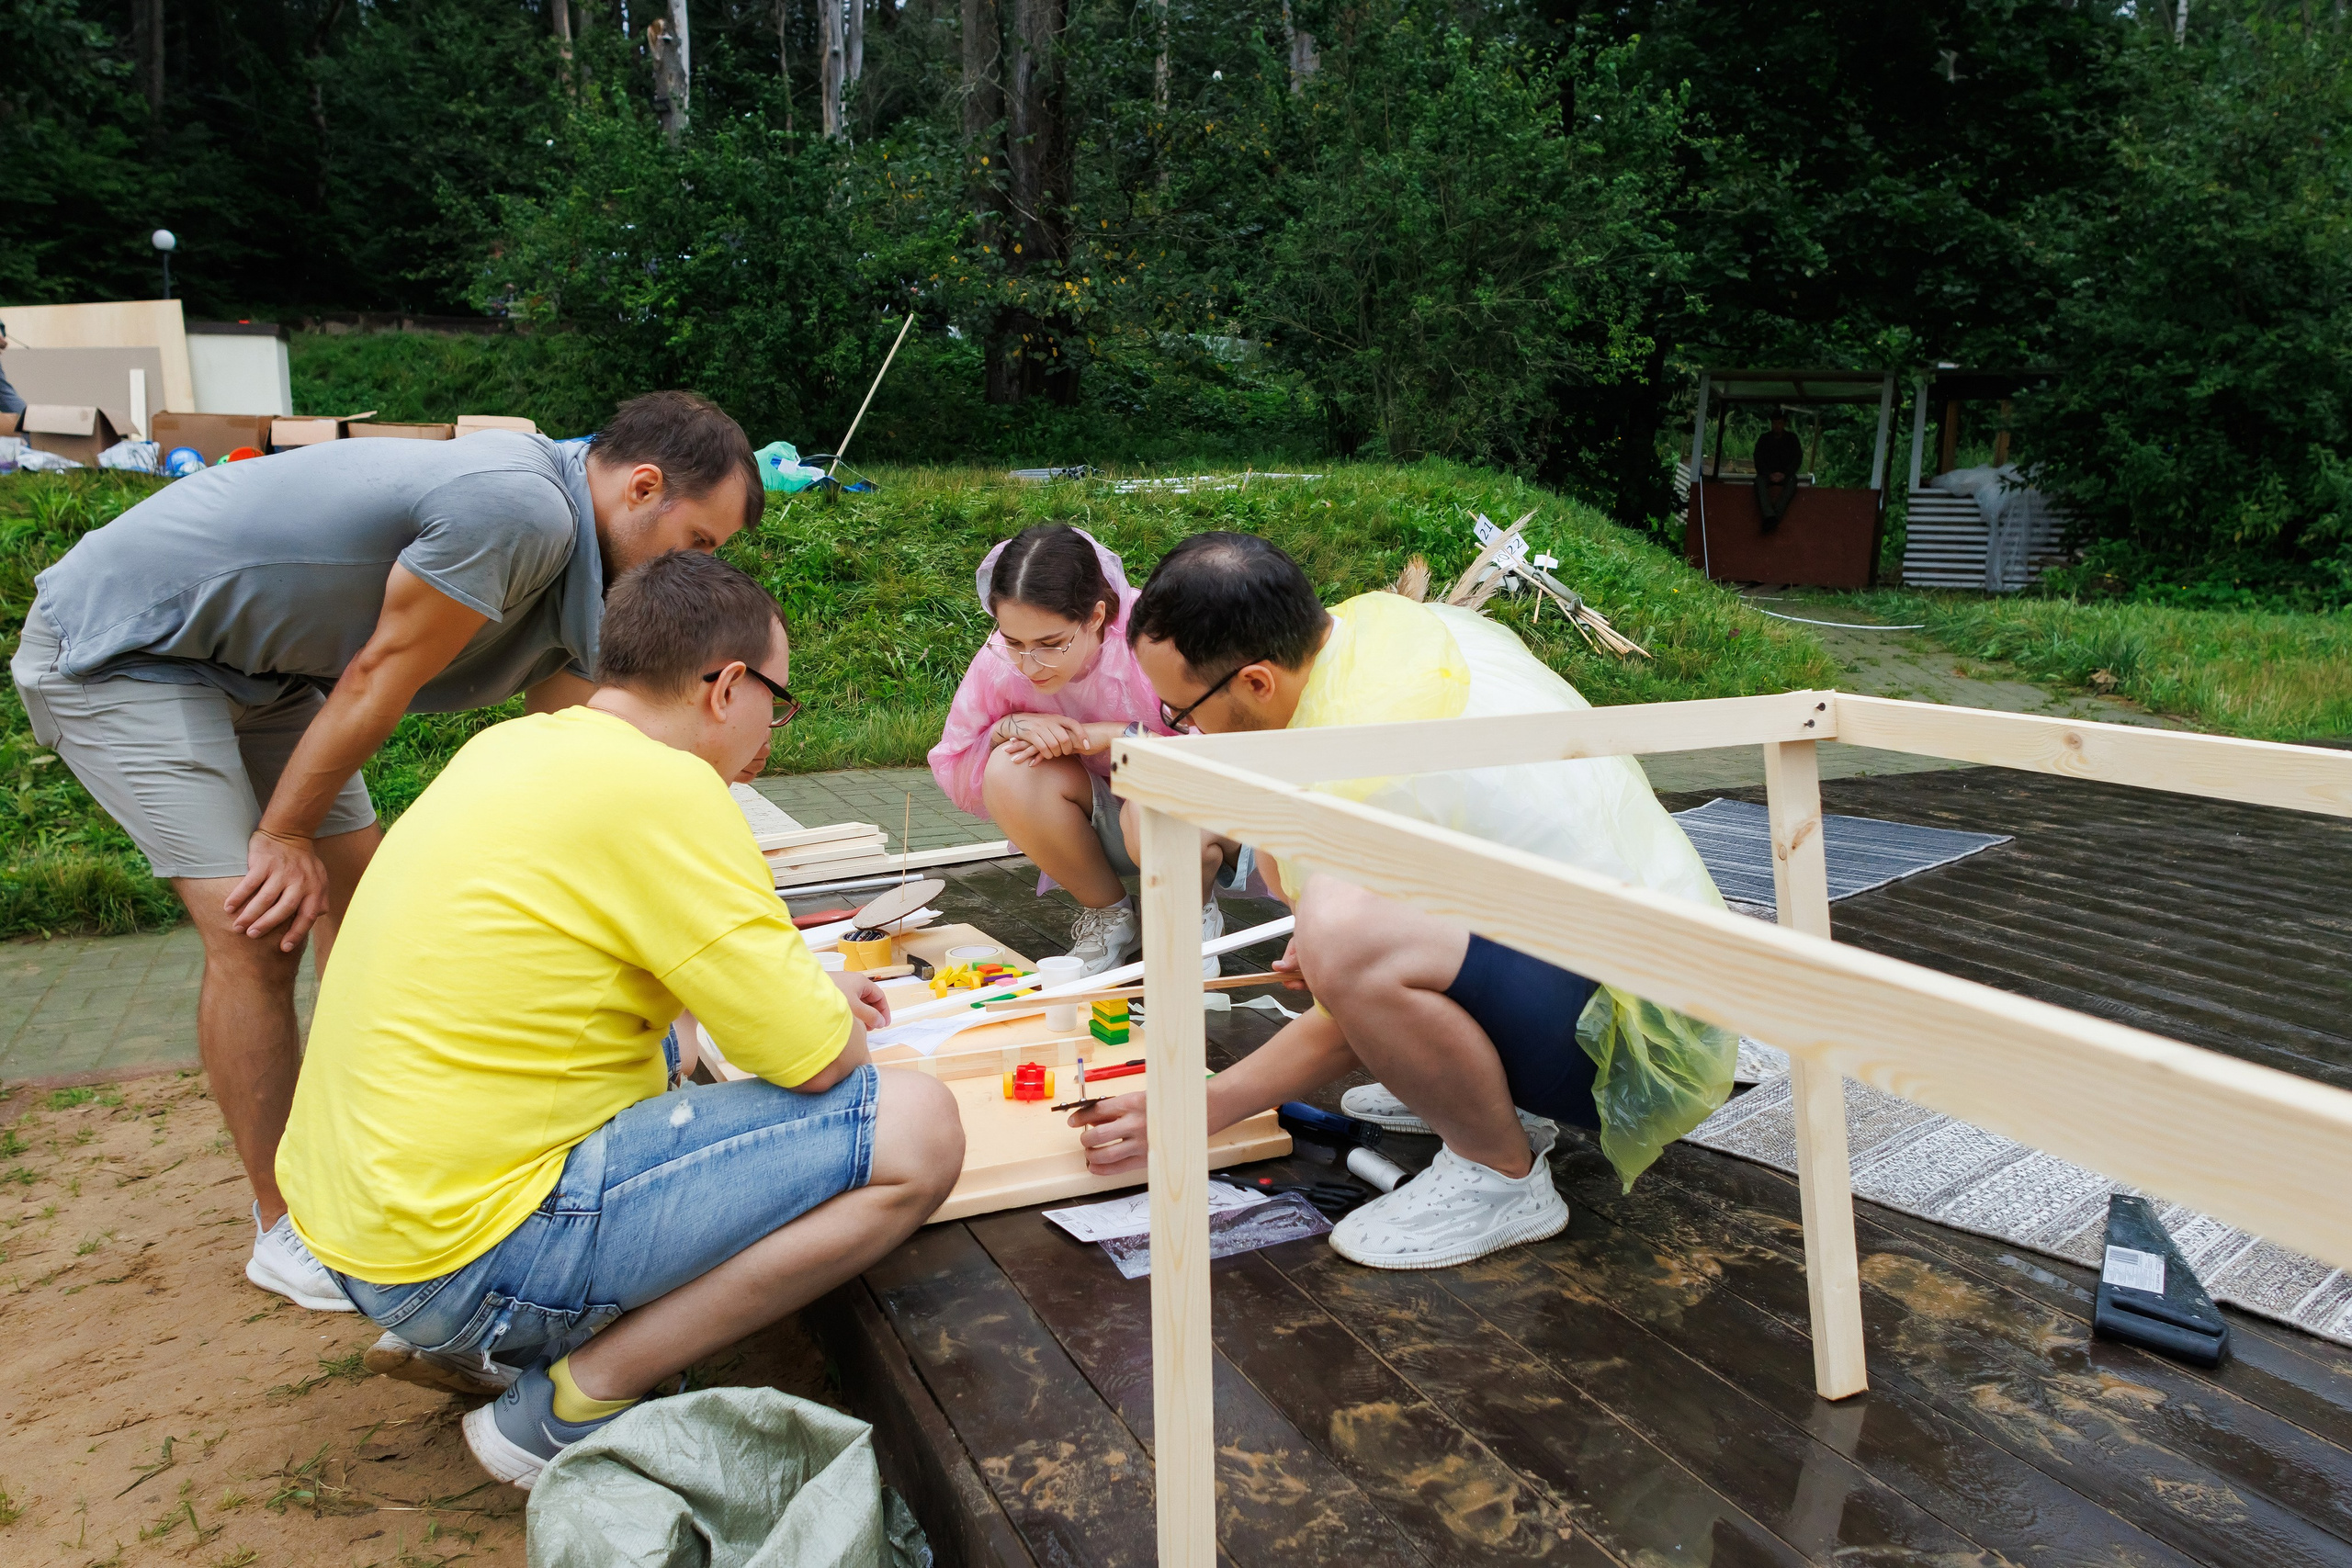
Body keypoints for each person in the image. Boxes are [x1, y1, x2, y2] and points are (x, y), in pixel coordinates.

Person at [11, 390, 762, 1314]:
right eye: (699, 541)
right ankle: (285, 1225)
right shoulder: (521, 510)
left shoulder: (595, 579)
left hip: (273, 673)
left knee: (358, 905)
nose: (697, 567)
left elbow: (593, 761)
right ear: (643, 488)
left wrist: (698, 910)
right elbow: (381, 671)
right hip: (132, 646)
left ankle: (361, 1170)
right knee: (258, 928)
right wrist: (283, 834)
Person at [275, 550, 965, 1488]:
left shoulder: (511, 748)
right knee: (917, 1126)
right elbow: (816, 1060)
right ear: (727, 686)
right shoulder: (668, 788)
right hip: (464, 1253)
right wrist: (812, 1011)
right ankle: (568, 1402)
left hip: (360, 1234)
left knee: (680, 1051)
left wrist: (786, 994)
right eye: (778, 702)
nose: (773, 730)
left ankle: (508, 1337)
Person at [1079, 532, 1733, 1269]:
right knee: (1343, 934)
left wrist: (1194, 1110)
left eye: (1183, 711)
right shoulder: (1372, 640)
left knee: (1344, 936)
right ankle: (1463, 1082)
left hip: (1625, 1050)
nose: (1186, 728)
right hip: (1621, 977)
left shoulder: (1368, 755)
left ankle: (1499, 1170)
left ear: (1257, 681)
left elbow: (1344, 989)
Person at [929, 524, 1246, 976]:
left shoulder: (1159, 637)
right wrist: (1010, 726)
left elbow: (1232, 752)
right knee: (1009, 765)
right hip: (1105, 822)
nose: (1029, 665)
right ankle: (1110, 915)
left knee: (1150, 788)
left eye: (1050, 644)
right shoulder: (1001, 659)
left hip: (1201, 820)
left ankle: (1190, 914)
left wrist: (1122, 736)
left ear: (1096, 616)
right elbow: (957, 758)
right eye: (1013, 643)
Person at [1752, 410, 1804, 532]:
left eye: (1779, 423)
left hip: (1786, 475)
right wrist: (1768, 474)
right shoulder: (1764, 439)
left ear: (1784, 424)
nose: (1777, 426)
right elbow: (1758, 458)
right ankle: (1769, 515)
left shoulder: (1792, 439)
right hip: (1767, 474)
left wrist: (1785, 474)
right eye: (1775, 423)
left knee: (1792, 481)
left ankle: (1774, 516)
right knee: (1759, 481)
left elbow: (1797, 458)